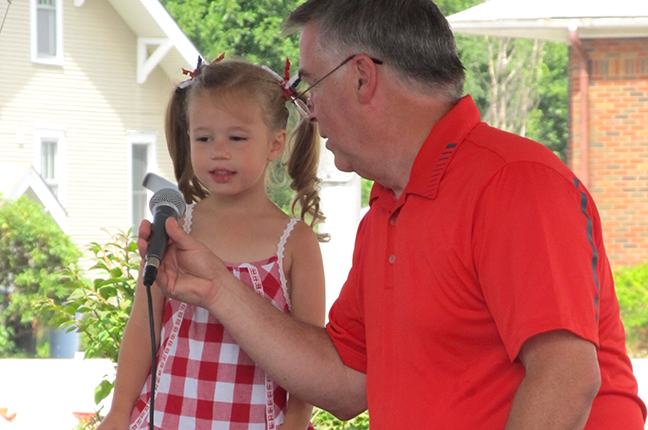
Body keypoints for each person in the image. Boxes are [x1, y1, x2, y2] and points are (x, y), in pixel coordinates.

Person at [136, 0, 648, 429]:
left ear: (361, 76)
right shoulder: (384, 210)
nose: (307, 113)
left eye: (309, 87)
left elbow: (567, 377)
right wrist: (215, 287)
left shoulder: (513, 181)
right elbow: (345, 380)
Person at [98, 58, 326, 430]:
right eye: (204, 138)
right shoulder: (173, 229)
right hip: (167, 415)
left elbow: (311, 351)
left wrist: (298, 420)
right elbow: (143, 327)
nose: (219, 151)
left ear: (275, 143)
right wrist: (119, 412)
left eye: (236, 138)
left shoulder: (295, 243)